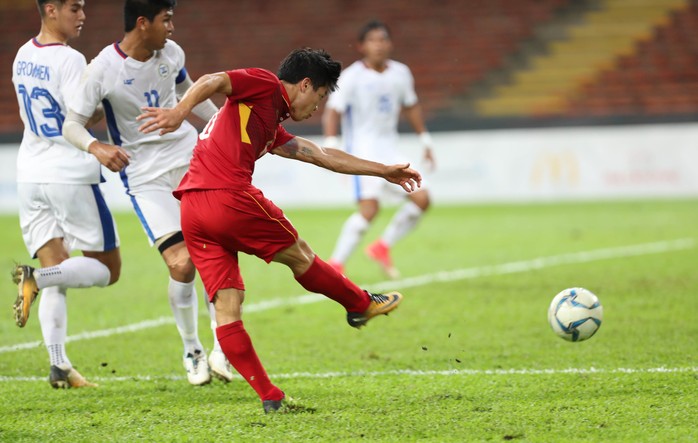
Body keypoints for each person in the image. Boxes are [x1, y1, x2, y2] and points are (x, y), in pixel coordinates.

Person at [135, 48, 421, 412]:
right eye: (319, 96)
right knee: (299, 254)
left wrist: (382, 170)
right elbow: (212, 80)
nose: (317, 107)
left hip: (192, 209)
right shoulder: (264, 84)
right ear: (305, 84)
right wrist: (178, 112)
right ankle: (360, 304)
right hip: (228, 198)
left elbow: (319, 154)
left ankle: (271, 398)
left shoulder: (269, 123)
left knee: (227, 305)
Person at [62, 0, 232, 386]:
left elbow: (191, 97)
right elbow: (72, 125)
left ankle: (225, 344)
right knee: (181, 265)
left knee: (216, 253)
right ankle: (192, 348)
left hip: (191, 161)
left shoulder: (171, 54)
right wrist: (97, 148)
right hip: (145, 177)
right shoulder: (103, 68)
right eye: (166, 19)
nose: (172, 27)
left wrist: (226, 123)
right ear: (143, 23)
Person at [11, 0, 122, 388]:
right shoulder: (71, 60)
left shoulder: (22, 55)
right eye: (74, 8)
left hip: (30, 175)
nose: (83, 15)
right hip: (69, 174)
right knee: (108, 269)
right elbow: (80, 117)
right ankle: (35, 279)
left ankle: (59, 365)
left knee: (60, 268)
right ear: (51, 9)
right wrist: (106, 96)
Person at [322, 19, 435, 279]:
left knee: (422, 199)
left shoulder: (401, 73)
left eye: (383, 39)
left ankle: (382, 247)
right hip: (362, 152)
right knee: (370, 210)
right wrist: (331, 145)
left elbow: (411, 105)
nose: (379, 45)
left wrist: (425, 141)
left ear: (390, 43)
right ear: (362, 46)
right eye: (373, 40)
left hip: (391, 150)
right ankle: (335, 264)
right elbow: (333, 111)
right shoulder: (351, 77)